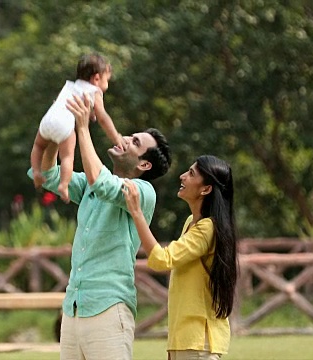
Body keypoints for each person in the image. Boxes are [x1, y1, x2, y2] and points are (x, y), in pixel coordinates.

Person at [28, 94, 171, 359]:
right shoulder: (90, 187)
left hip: (109, 305)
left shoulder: (142, 191)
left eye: (135, 142)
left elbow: (102, 183)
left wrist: (83, 127)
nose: (125, 138)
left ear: (144, 164)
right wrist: (54, 132)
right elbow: (47, 174)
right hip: (74, 307)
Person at [122, 155, 238, 360]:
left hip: (198, 343)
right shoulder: (191, 223)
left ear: (206, 189)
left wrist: (137, 213)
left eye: (191, 174)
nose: (182, 176)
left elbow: (161, 259)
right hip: (184, 340)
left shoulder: (207, 229)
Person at [30, 53, 123, 203]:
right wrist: (116, 136)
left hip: (48, 119)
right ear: (97, 78)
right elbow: (103, 118)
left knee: (38, 146)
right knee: (67, 156)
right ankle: (64, 185)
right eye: (107, 80)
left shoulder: (71, 86)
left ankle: (36, 171)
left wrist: (91, 114)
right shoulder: (95, 91)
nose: (108, 84)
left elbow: (78, 106)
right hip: (64, 125)